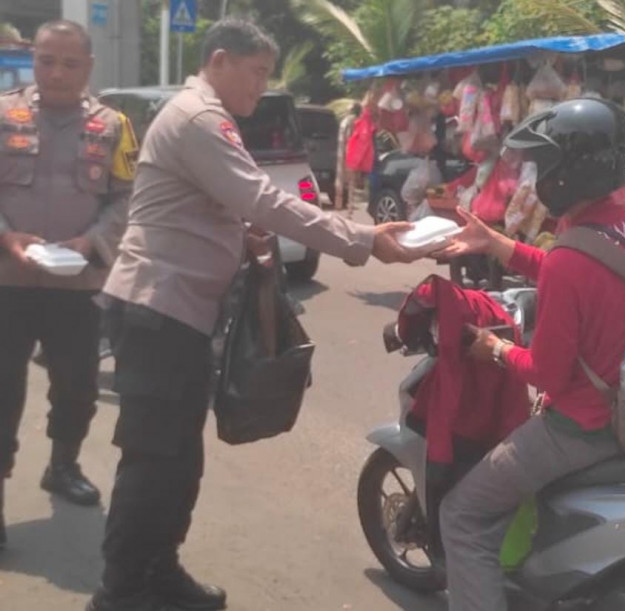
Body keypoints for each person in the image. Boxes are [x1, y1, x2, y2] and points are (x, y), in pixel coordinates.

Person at [87, 19, 418, 611]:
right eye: (257, 72)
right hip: (157, 313)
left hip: (176, 316)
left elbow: (226, 208)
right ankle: (118, 595)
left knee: (178, 459)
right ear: (220, 60)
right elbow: (262, 197)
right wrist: (362, 239)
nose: (262, 88)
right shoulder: (199, 119)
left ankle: (158, 573)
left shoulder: (205, 117)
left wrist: (242, 235)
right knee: (153, 459)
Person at [435, 98, 625, 611]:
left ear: (566, 174)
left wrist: (494, 348)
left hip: (583, 428)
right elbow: (582, 270)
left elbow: (546, 373)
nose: (535, 179)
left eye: (542, 166)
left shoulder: (570, 257)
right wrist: (495, 244)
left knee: (462, 516)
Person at [0, 21, 137, 549]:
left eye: (69, 63)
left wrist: (90, 243)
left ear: (89, 67)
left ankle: (63, 464)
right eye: (46, 60)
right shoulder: (4, 112)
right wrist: (7, 237)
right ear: (34, 60)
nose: (56, 72)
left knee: (78, 387)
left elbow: (127, 197)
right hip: (7, 282)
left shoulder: (115, 126)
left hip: (78, 285)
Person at [334, 101, 361, 215]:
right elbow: (352, 138)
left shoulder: (344, 121)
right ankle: (349, 209)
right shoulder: (353, 121)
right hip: (350, 153)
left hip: (341, 153)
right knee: (351, 182)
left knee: (340, 180)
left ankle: (338, 206)